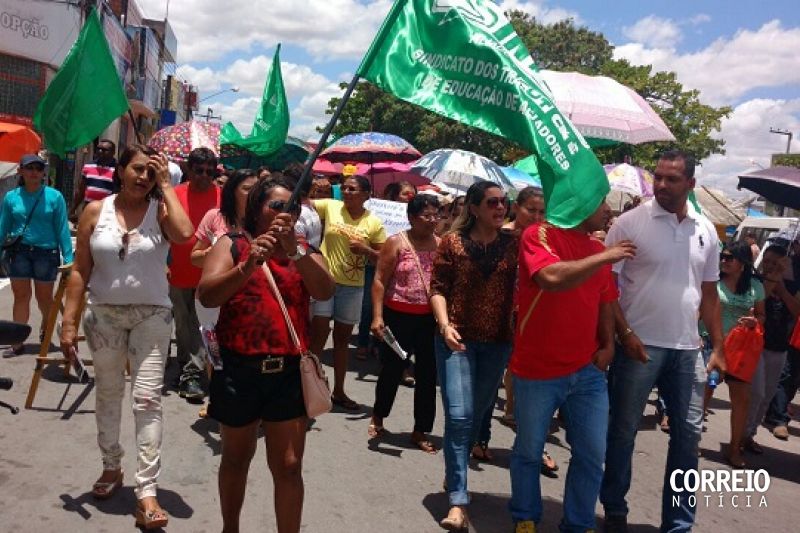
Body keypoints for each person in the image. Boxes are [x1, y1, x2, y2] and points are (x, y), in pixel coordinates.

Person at [59, 145, 193, 529]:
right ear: (120, 170)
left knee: (148, 399)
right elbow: (80, 270)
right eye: (137, 169)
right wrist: (68, 323)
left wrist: (166, 186)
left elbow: (184, 234)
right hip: (103, 317)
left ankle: (147, 489)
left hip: (152, 317)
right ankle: (111, 465)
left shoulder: (162, 211)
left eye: (151, 172)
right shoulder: (94, 211)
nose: (143, 177)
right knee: (108, 393)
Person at [197, 177, 334, 533]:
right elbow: (207, 294)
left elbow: (324, 290)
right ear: (257, 208)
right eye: (277, 205)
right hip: (239, 370)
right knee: (236, 458)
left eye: (293, 207)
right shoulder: (232, 243)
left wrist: (295, 252)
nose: (287, 213)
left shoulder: (304, 249)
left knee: (289, 465)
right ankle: (230, 528)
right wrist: (247, 265)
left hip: (288, 372)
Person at [600, 150, 725, 533]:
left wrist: (718, 347)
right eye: (658, 177)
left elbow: (709, 294)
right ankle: (615, 511)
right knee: (623, 432)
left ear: (690, 184)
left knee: (688, 439)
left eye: (672, 179)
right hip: (638, 347)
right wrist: (623, 334)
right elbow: (606, 286)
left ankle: (678, 524)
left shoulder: (705, 230)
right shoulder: (630, 223)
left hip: (688, 350)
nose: (662, 185)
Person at [509, 201, 633, 533]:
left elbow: (605, 299)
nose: (608, 211)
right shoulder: (539, 234)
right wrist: (603, 257)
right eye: (601, 203)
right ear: (581, 202)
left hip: (587, 372)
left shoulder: (597, 249)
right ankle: (525, 516)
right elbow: (550, 277)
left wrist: (608, 345)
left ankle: (578, 524)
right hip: (538, 369)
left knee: (592, 454)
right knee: (530, 450)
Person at [430, 181, 518, 530]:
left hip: (498, 343)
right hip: (457, 341)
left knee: (476, 414)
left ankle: (455, 473)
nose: (500, 207)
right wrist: (444, 325)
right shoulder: (452, 242)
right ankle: (458, 502)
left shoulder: (514, 244)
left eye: (504, 202)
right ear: (474, 207)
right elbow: (438, 289)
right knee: (460, 416)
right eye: (492, 202)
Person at [369, 194, 440, 452]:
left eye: (436, 215)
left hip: (429, 320)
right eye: (426, 215)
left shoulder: (442, 245)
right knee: (392, 368)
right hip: (397, 318)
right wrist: (377, 316)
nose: (432, 220)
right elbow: (380, 280)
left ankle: (421, 430)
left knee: (428, 375)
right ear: (411, 217)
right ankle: (378, 416)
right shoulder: (396, 242)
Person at [309, 176, 386, 409]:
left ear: (366, 195)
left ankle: (339, 391)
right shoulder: (330, 206)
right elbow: (303, 203)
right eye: (344, 188)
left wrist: (366, 250)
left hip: (352, 288)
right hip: (324, 281)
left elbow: (384, 258)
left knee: (341, 341)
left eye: (352, 189)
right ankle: (308, 388)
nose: (346, 191)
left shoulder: (374, 222)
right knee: (318, 336)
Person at [498, 187, 557, 473]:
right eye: (530, 210)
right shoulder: (501, 235)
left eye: (542, 212)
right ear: (515, 208)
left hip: (533, 316)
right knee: (497, 374)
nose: (536, 216)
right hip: (499, 314)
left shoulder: (549, 239)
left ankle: (536, 447)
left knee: (532, 381)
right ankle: (480, 437)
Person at [0, 154, 73, 357]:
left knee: (44, 299)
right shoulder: (12, 197)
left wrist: (69, 258)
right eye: (30, 168)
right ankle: (17, 342)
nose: (34, 172)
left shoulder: (54, 197)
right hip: (19, 252)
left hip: (46, 253)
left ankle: (46, 331)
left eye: (38, 169)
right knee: (21, 296)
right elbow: (3, 226)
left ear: (43, 173)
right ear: (20, 171)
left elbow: (62, 229)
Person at [704, 242, 765, 467]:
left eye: (730, 258)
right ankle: (690, 441)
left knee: (741, 401)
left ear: (743, 263)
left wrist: (755, 321)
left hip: (740, 351)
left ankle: (734, 449)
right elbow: (700, 308)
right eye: (722, 256)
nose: (724, 261)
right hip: (714, 347)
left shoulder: (755, 287)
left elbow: (762, 315)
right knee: (707, 389)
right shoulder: (713, 281)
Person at [169, 147, 221, 402]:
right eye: (199, 170)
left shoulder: (223, 197)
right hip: (177, 272)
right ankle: (185, 367)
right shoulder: (174, 195)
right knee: (182, 325)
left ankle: (193, 373)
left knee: (202, 326)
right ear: (188, 169)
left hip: (209, 275)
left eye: (210, 172)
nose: (204, 176)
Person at [744, 244, 800, 452]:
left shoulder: (792, 285)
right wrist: (772, 280)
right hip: (756, 344)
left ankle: (749, 435)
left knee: (767, 396)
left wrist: (783, 289)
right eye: (766, 261)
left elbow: (796, 311)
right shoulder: (756, 280)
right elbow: (755, 302)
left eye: (775, 263)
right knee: (756, 394)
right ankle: (741, 435)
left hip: (779, 347)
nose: (769, 266)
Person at [356, 181, 417, 362]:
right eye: (406, 193)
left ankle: (379, 344)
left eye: (412, 194)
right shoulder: (379, 212)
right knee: (369, 306)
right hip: (374, 264)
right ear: (395, 196)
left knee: (388, 308)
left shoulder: (415, 216)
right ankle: (363, 342)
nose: (409, 197)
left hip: (399, 268)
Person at [70, 139, 117, 222]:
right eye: (98, 149)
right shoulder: (88, 166)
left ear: (113, 152)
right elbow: (81, 191)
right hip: (88, 209)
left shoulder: (117, 170)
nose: (100, 151)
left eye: (104, 150)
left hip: (107, 213)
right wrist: (73, 209)